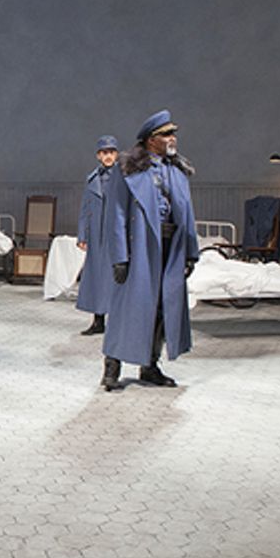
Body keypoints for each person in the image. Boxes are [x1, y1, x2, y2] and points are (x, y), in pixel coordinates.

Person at [101, 110, 199, 391]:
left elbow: (187, 213)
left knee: (161, 308)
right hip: (140, 248)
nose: (173, 139)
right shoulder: (129, 169)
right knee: (127, 307)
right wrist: (120, 256)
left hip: (170, 249)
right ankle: (112, 365)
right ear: (150, 140)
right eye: (166, 134)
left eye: (173, 134)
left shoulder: (176, 170)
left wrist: (191, 252)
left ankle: (150, 365)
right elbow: (117, 214)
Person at [76, 135, 119, 335]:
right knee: (95, 277)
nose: (108, 156)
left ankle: (118, 321)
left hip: (115, 234)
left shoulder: (124, 178)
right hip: (95, 234)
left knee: (116, 276)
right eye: (104, 152)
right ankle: (98, 320)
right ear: (98, 156)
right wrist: (82, 235)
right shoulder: (92, 179)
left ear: (116, 154)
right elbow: (85, 208)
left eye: (111, 152)